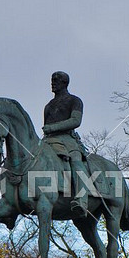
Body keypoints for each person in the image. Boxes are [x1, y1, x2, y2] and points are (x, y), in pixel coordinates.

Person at [43, 71, 88, 217]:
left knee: (76, 161)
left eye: (56, 80)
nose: (53, 82)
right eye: (52, 80)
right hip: (49, 140)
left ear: (64, 83)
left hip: (67, 140)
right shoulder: (48, 106)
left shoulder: (75, 100)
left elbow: (76, 121)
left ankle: (82, 199)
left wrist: (53, 127)